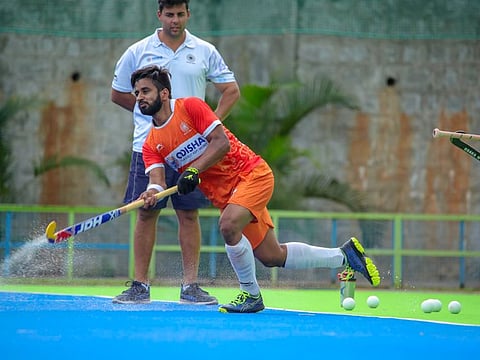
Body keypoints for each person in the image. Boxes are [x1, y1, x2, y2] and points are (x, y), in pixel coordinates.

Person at [131, 65, 381, 313]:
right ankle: (345, 256)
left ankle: (250, 294)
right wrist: (151, 193)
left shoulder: (190, 107)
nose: (140, 97)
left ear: (164, 93)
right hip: (229, 197)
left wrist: (194, 170)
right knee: (272, 256)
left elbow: (221, 143)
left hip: (251, 174)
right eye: (137, 93)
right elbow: (157, 179)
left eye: (145, 91)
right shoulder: (151, 143)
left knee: (228, 226)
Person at [111, 0, 240, 304]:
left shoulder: (204, 50)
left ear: (188, 14)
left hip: (191, 151)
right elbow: (117, 93)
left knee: (188, 215)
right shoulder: (137, 51)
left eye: (180, 14)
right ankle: (140, 286)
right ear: (159, 15)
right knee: (145, 212)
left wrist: (209, 126)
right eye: (169, 14)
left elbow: (231, 90)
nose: (175, 20)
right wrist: (151, 114)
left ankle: (190, 286)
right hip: (149, 147)